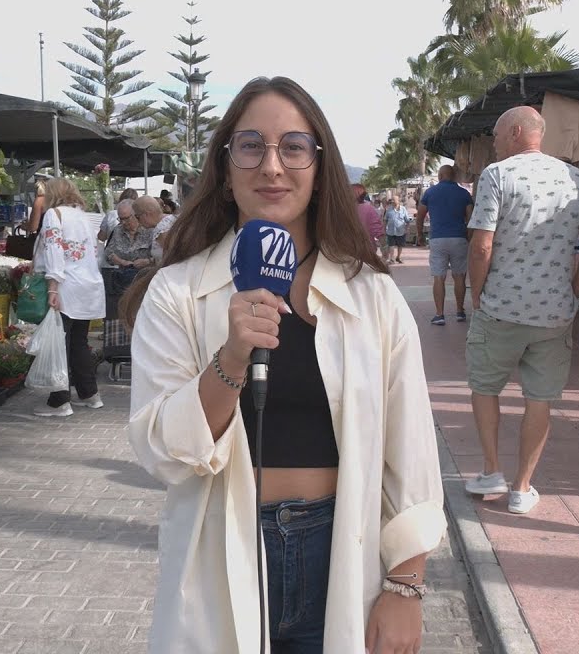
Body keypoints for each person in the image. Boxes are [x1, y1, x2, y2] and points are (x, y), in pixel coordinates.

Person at [123, 76, 444, 654]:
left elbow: (412, 446)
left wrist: (406, 583)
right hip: (223, 547)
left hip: (341, 549)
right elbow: (163, 450)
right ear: (224, 167)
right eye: (251, 146)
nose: (272, 165)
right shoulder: (177, 292)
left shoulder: (370, 295)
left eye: (293, 147)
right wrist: (231, 358)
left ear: (320, 167)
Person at [464, 107, 579, 514]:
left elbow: (482, 244)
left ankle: (491, 470)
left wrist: (477, 295)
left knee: (485, 386)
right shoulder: (574, 177)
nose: (493, 142)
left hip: (501, 306)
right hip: (554, 313)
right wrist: (574, 289)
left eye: (495, 133)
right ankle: (523, 488)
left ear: (516, 131)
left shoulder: (497, 175)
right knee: (539, 399)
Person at [29, 177, 106, 416]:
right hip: (89, 286)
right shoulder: (83, 216)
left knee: (60, 343)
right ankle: (89, 393)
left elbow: (54, 251)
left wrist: (53, 287)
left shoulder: (55, 214)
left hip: (66, 285)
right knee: (79, 343)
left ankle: (60, 400)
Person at [417, 164, 474, 325]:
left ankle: (439, 314)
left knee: (439, 277)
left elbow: (420, 216)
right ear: (454, 176)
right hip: (459, 238)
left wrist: (420, 235)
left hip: (438, 239)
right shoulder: (464, 194)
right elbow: (470, 218)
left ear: (440, 176)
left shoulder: (430, 192)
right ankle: (460, 311)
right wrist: (468, 237)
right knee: (459, 276)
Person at [133, 195, 176, 264]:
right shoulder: (170, 219)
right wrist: (149, 261)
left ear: (146, 214)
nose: (138, 222)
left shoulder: (162, 230)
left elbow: (175, 258)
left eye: (137, 217)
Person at [353, 182, 383, 254]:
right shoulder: (369, 208)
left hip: (349, 251)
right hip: (367, 251)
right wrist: (385, 252)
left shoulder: (343, 209)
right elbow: (378, 230)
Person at [381, 199, 411, 264]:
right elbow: (385, 220)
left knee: (400, 245)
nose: (393, 203)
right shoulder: (388, 209)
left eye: (394, 201)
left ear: (398, 201)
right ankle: (391, 259)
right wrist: (384, 228)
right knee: (391, 245)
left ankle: (398, 257)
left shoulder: (403, 209)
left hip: (401, 231)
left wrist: (407, 229)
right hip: (390, 231)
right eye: (392, 202)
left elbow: (407, 220)